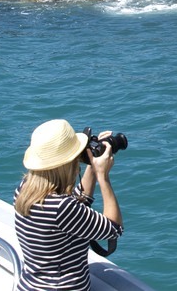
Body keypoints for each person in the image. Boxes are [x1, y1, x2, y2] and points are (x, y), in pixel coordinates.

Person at [14, 119, 123, 290]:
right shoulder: (61, 207)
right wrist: (103, 176)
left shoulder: (25, 189)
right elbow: (114, 229)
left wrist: (92, 166)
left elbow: (79, 202)